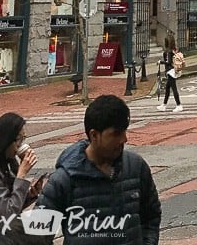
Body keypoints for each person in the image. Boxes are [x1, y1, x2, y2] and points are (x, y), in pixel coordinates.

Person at [37, 93, 161, 245]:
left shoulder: (136, 167)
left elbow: (151, 216)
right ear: (94, 135)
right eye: (116, 133)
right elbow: (37, 234)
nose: (124, 139)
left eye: (124, 131)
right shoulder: (64, 180)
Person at [0, 112, 43, 243]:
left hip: (4, 232)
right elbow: (8, 213)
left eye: (24, 139)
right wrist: (21, 175)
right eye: (18, 140)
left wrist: (29, 195)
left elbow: (11, 205)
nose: (21, 145)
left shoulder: (6, 165)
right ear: (6, 140)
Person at [157, 35, 183, 113]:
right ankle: (164, 105)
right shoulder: (174, 50)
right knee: (168, 88)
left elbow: (168, 62)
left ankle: (179, 105)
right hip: (173, 70)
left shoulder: (168, 51)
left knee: (174, 89)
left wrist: (160, 62)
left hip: (170, 71)